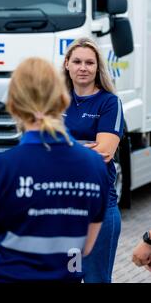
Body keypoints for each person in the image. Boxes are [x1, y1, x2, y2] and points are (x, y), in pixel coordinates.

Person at [0, 57, 110, 282]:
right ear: (62, 100)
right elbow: (84, 247)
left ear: (13, 105)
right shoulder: (95, 165)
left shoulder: (0, 167)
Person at [63, 37, 124, 283]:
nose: (83, 67)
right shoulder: (56, 101)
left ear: (98, 67)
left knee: (95, 280)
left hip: (98, 213)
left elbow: (104, 153)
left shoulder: (109, 102)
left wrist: (61, 148)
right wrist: (83, 146)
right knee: (68, 276)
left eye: (90, 62)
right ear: (67, 64)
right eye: (77, 61)